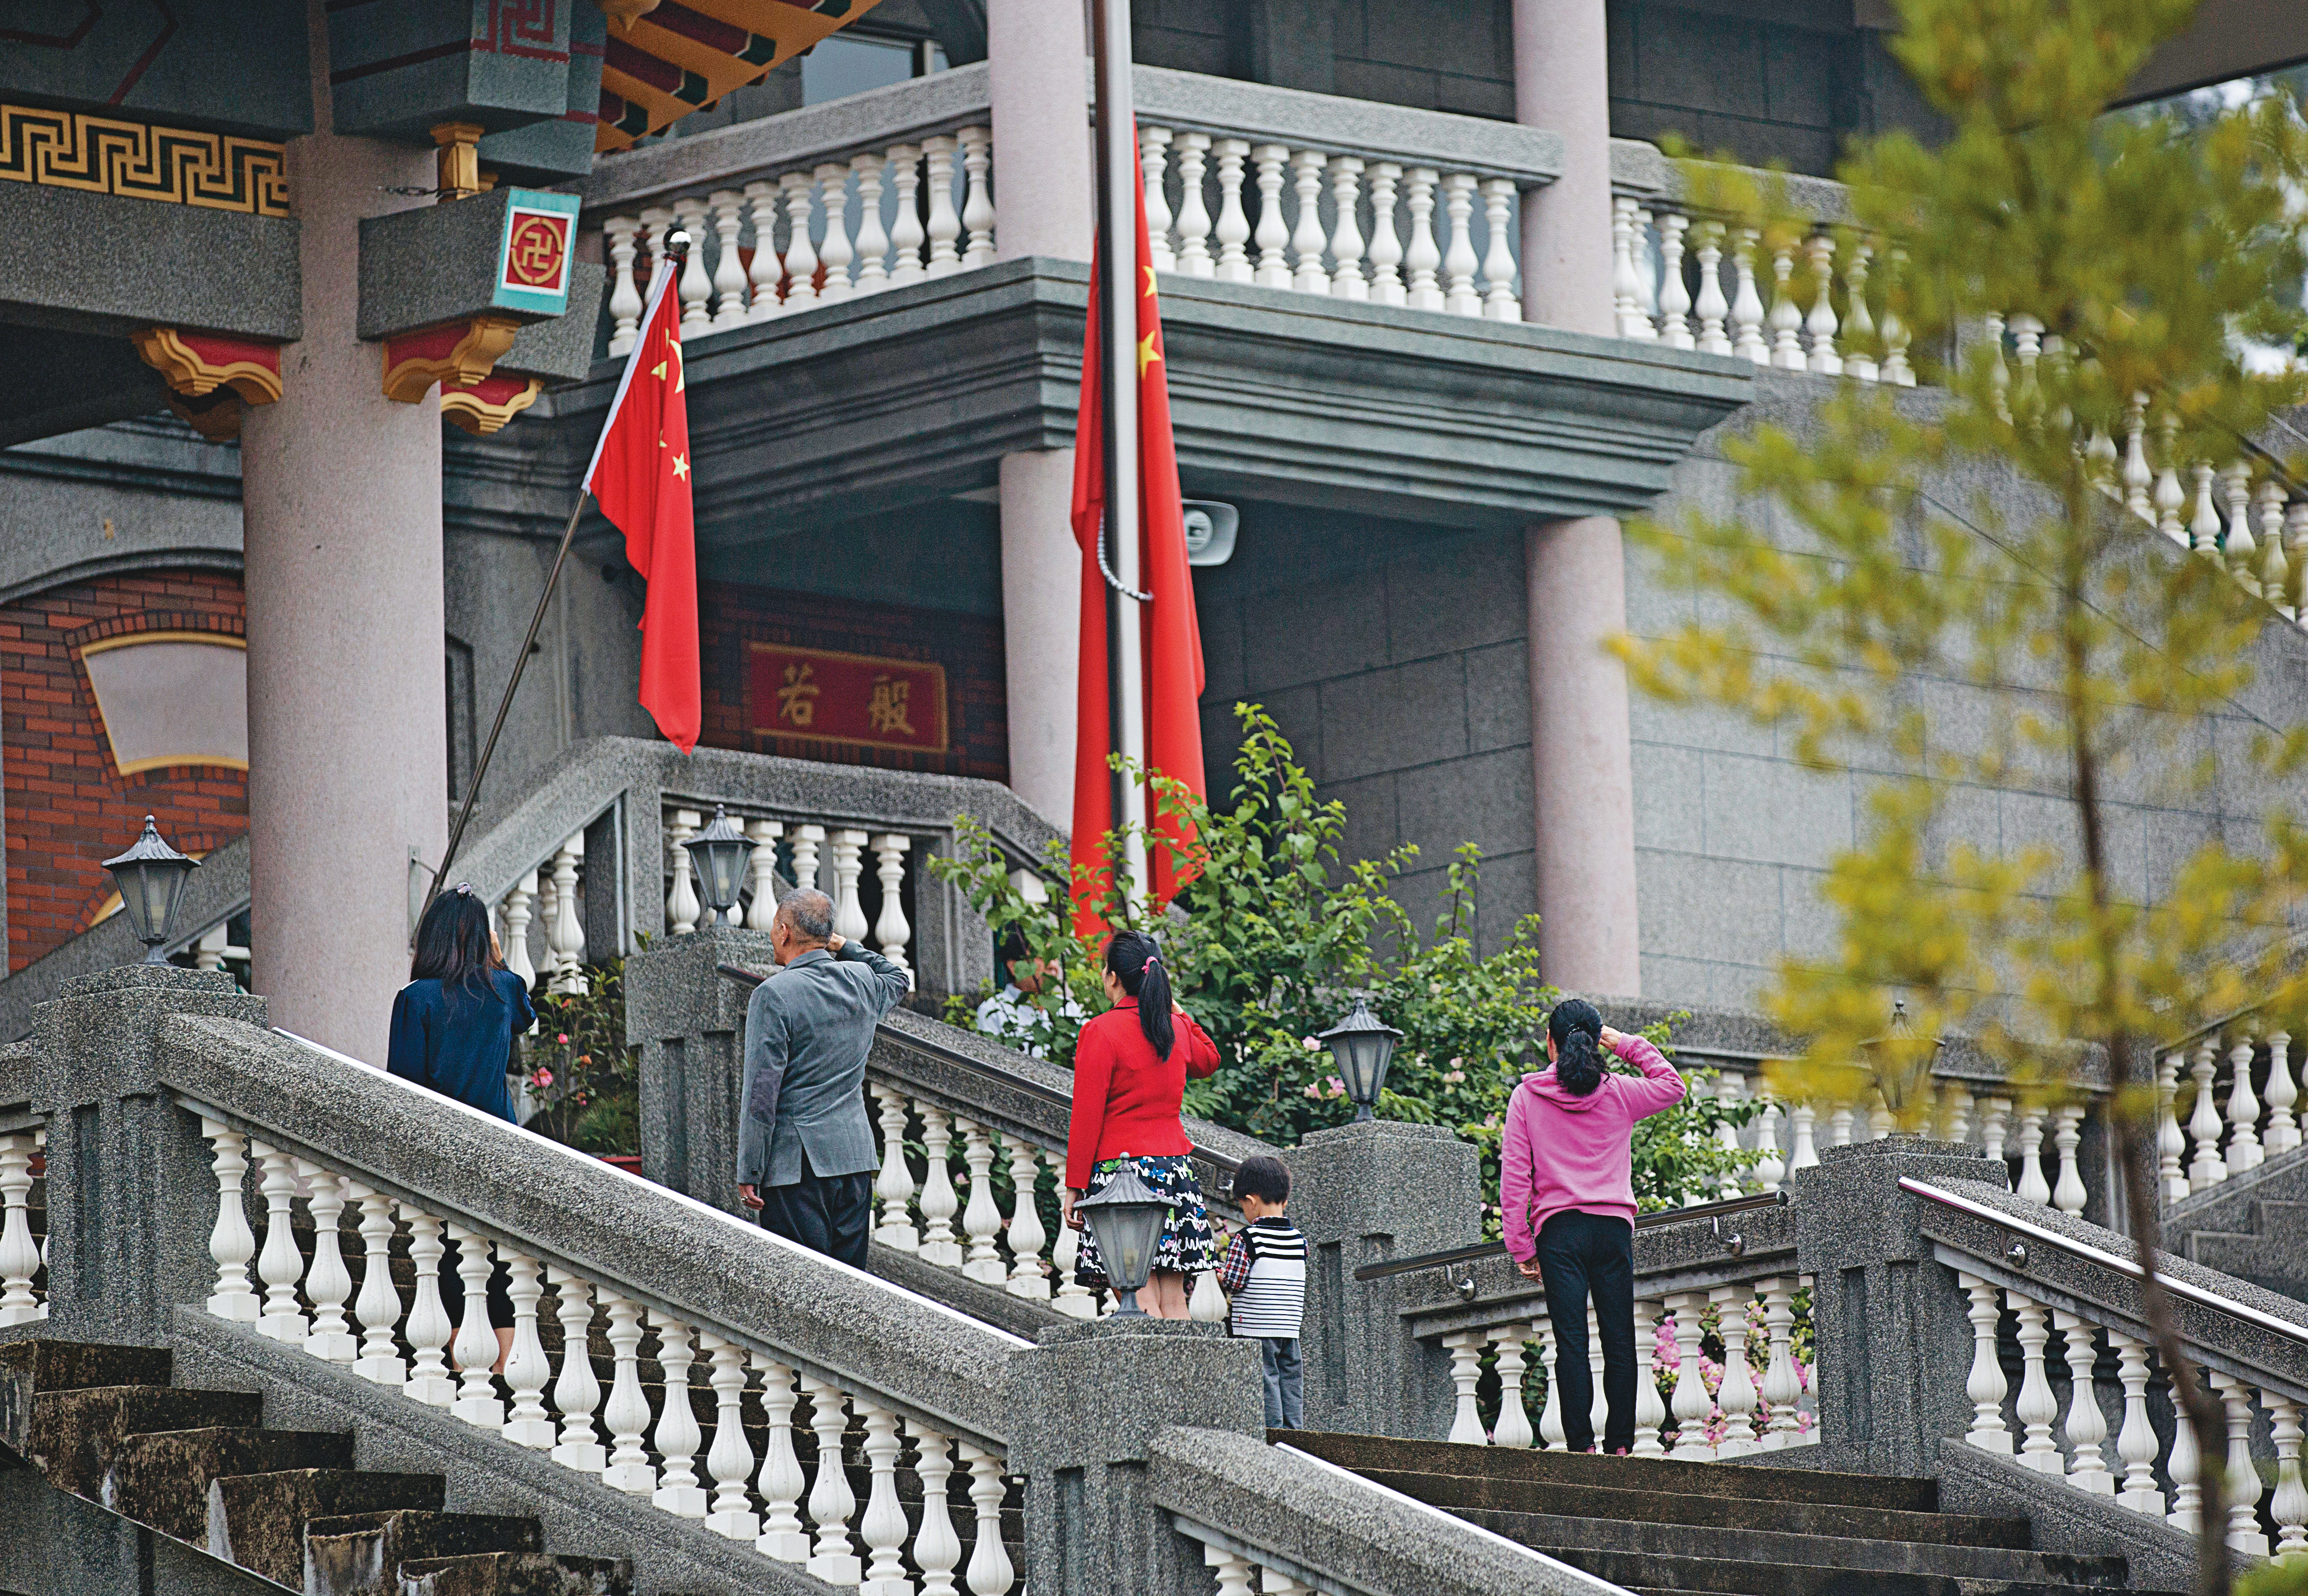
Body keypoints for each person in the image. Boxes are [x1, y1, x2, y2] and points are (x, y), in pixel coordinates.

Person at [1499, 998, 1685, 1455]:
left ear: (1550, 1043)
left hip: (1559, 1233)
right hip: (1612, 1230)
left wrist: (1522, 1248)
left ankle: (1581, 1447)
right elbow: (1672, 1086)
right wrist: (1624, 1043)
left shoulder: (1526, 1097)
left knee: (1572, 1344)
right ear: (1595, 1039)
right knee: (1619, 1339)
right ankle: (1620, 1446)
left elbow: (1515, 1181)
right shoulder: (1619, 1091)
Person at [386, 885, 536, 1371]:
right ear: (482, 941)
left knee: (451, 1261)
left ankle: (462, 1374)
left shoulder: (416, 999)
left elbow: (404, 1088)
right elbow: (526, 1017)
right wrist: (498, 960)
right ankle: (505, 1375)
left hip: (441, 1147)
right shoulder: (504, 991)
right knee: (495, 1264)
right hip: (501, 1146)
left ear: (431, 937)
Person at [736, 888, 911, 1267]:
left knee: (802, 1290)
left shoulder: (773, 995)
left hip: (796, 1169)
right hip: (853, 1159)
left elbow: (762, 1093)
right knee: (849, 1288)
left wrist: (750, 1168)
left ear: (784, 932)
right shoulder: (862, 980)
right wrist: (845, 946)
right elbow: (897, 977)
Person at [1061, 930, 1223, 1318]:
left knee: (1136, 1295)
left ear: (1113, 977)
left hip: (1121, 1175)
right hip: (1173, 1171)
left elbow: (1087, 1117)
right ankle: (1190, 1379)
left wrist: (1074, 1187)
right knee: (1174, 1299)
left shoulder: (1100, 1031)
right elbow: (1210, 1060)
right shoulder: (1173, 1027)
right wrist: (1179, 1011)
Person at [1216, 1154, 1307, 1430]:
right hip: (1289, 1327)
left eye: (1242, 1204)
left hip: (1257, 1327)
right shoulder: (1298, 1239)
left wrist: (1219, 1276)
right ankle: (1296, 1434)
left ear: (1251, 1201)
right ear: (1285, 1200)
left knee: (1266, 1379)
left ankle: (1273, 1433)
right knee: (1290, 1379)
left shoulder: (1248, 1239)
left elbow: (1234, 1281)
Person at [974, 927, 1077, 1058]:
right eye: (1042, 957)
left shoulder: (1069, 1009)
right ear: (1015, 967)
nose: (1053, 965)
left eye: (1055, 957)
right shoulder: (994, 1012)